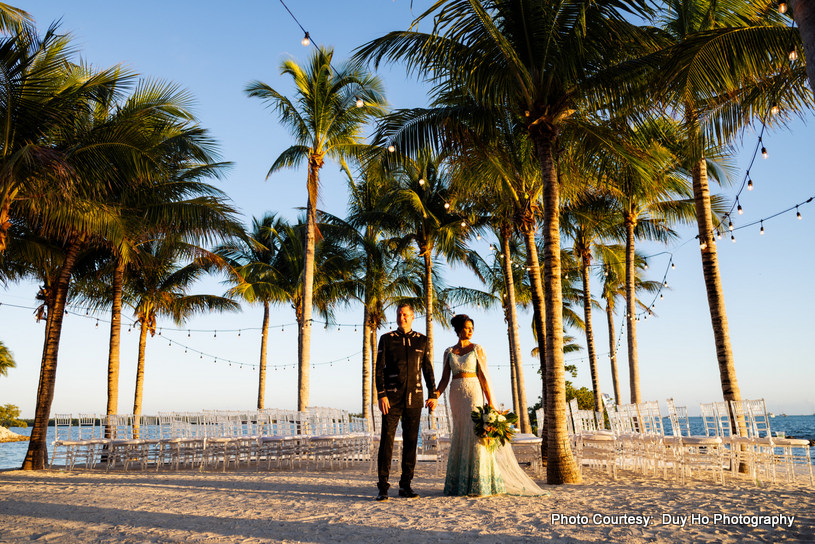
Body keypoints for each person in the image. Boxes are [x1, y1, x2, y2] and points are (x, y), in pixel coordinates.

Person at [435, 314, 546, 496]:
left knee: (475, 434)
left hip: (474, 394)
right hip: (455, 395)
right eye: (467, 327)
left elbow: (484, 377)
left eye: (472, 328)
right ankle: (460, 484)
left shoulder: (477, 349)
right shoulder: (448, 352)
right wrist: (435, 395)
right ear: (458, 329)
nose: (470, 331)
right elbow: (444, 379)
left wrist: (491, 403)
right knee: (461, 433)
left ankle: (481, 483)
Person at [374, 302, 437, 501]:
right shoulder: (386, 339)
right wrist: (381, 394)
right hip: (391, 399)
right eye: (399, 314)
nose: (402, 317)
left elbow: (427, 369)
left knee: (411, 443)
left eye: (406, 314)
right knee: (387, 442)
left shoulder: (422, 341)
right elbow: (379, 370)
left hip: (415, 398)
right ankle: (383, 487)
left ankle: (405, 485)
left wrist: (433, 394)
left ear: (412, 317)